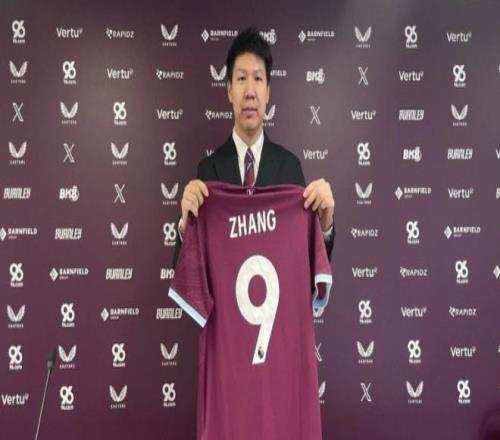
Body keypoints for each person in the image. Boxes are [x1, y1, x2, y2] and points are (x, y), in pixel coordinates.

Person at [173, 27, 335, 267]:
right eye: (241, 79)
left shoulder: (290, 168)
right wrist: (185, 228)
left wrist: (325, 226)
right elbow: (186, 271)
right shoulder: (208, 171)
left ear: (268, 92)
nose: (250, 92)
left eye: (258, 79)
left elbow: (309, 265)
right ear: (229, 90)